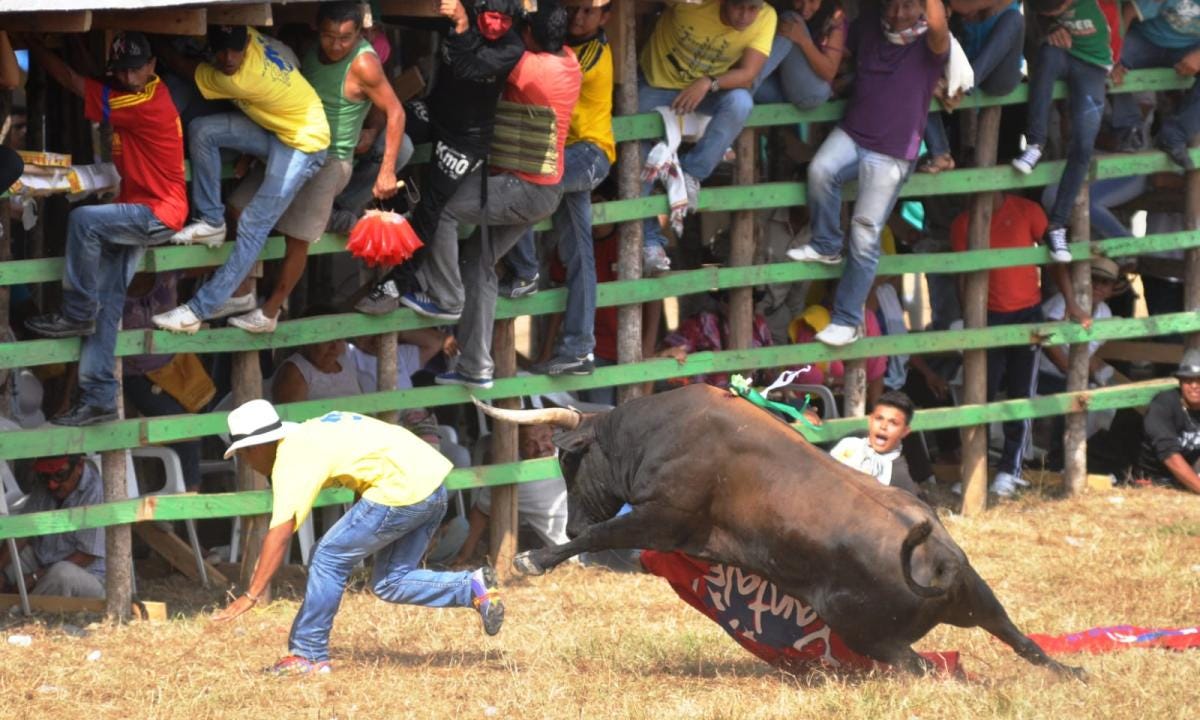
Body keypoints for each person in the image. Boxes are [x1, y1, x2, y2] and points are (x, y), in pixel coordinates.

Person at [212, 400, 505, 675]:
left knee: (326, 557)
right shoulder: (314, 431)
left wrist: (251, 595)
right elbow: (367, 464)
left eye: (243, 454)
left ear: (256, 447)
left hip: (400, 489)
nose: (246, 463)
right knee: (390, 581)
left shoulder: (292, 457)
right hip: (431, 483)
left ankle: (308, 656)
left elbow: (280, 533)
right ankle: (473, 586)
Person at [21, 32, 189, 426]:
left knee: (82, 221)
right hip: (135, 209)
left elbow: (75, 84)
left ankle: (76, 310)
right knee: (109, 302)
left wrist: (35, 45)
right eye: (123, 71)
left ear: (151, 67)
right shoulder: (138, 91)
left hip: (157, 213)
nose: (130, 78)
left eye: (137, 69)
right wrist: (81, 53)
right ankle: (97, 396)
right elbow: (95, 77)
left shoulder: (143, 103)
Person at [425, 0, 583, 389]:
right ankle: (476, 365)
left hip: (524, 188)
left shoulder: (527, 68)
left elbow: (480, 61)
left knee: (443, 208)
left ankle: (445, 295)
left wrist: (463, 25)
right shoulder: (569, 61)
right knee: (480, 260)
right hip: (545, 188)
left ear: (528, 34)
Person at [222, 2, 405, 333]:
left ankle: (269, 313)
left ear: (359, 34)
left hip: (331, 161)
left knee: (298, 239)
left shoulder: (364, 63)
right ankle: (243, 290)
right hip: (294, 147)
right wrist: (254, 152)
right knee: (237, 207)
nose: (336, 45)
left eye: (345, 38)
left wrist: (387, 170)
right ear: (316, 30)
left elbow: (395, 111)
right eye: (329, 36)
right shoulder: (308, 52)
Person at [787, 0, 950, 346]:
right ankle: (826, 243)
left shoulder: (931, 43)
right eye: (893, 6)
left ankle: (847, 320)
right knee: (820, 171)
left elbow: (938, 26)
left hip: (892, 152)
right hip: (853, 131)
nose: (898, 14)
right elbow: (845, 53)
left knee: (864, 232)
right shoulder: (870, 28)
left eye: (908, 6)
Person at [151, 25, 330, 334]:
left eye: (235, 50)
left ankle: (197, 311)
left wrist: (155, 39)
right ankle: (211, 220)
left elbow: (182, 67)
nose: (228, 57)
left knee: (252, 224)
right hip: (281, 129)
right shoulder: (247, 32)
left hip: (304, 144)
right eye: (221, 50)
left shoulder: (239, 77)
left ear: (247, 43)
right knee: (203, 131)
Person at [354, 0, 526, 314]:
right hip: (435, 113)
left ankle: (396, 284)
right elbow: (414, 15)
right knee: (385, 131)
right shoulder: (463, 14)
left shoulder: (511, 46)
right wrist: (374, 17)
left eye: (505, 20)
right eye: (492, 17)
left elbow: (468, 68)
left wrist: (460, 28)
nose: (497, 26)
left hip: (466, 139)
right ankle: (357, 201)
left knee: (430, 210)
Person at [506, 1, 617, 378]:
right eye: (574, 9)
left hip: (588, 154)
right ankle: (579, 349)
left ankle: (524, 271)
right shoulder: (567, 47)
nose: (579, 17)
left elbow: (541, 79)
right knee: (578, 251)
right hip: (563, 154)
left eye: (589, 11)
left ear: (605, 17)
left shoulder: (587, 56)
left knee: (521, 185)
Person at [950, 192, 1083, 496]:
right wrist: (969, 316)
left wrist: (1071, 301)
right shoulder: (962, 224)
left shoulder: (1027, 211)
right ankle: (974, 469)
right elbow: (962, 276)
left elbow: (1054, 258)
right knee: (980, 394)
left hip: (1026, 314)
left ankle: (1010, 470)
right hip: (986, 316)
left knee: (1021, 393)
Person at [637, 0, 778, 274]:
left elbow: (748, 74)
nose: (746, 16)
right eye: (740, 7)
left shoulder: (766, 16)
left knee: (741, 103)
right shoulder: (694, 4)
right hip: (657, 84)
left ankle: (691, 173)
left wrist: (707, 83)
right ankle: (650, 240)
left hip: (707, 90)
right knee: (637, 153)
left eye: (753, 8)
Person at [1010, 0, 1116, 261]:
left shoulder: (1103, 5)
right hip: (1063, 53)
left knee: (1083, 145)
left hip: (1094, 67)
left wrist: (1120, 61)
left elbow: (1120, 25)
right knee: (1047, 54)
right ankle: (1035, 144)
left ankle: (1057, 226)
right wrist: (1052, 27)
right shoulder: (1043, 12)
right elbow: (1043, 17)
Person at [919, 0, 1025, 173]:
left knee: (1015, 19)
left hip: (998, 76)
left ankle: (965, 84)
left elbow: (963, 6)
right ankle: (940, 153)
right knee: (914, 77)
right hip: (957, 71)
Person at [1036, 257, 1119, 471]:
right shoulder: (1063, 303)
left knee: (1104, 402)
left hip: (1068, 374)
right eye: (1095, 279)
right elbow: (1047, 340)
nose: (1099, 286)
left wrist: (1095, 375)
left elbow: (1089, 354)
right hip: (1041, 373)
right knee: (1073, 398)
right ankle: (1057, 461)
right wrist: (1070, 370)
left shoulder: (1105, 313)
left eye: (1106, 282)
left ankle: (1072, 457)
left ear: (1112, 289)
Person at [449, 423, 569, 566]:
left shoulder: (571, 452)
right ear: (516, 445)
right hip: (576, 554)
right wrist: (463, 556)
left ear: (552, 429)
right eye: (529, 444)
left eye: (544, 438)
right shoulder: (512, 474)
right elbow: (480, 512)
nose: (540, 448)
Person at [1109, 0, 1200, 169]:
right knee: (1106, 61)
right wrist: (1115, 50)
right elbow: (1129, 11)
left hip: (1189, 47)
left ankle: (1173, 136)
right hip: (1146, 39)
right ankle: (1128, 128)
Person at [0, 456, 106, 598]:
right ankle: (16, 599)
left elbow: (86, 556)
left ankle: (20, 609)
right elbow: (22, 532)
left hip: (86, 576)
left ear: (79, 467)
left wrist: (35, 577)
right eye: (45, 476)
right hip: (43, 563)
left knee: (61, 574)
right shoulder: (46, 484)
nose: (52, 484)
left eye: (60, 475)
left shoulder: (95, 490)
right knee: (8, 544)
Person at [753, 0, 846, 108]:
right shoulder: (780, 7)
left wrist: (803, 40)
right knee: (737, 89)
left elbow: (829, 73)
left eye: (812, 1)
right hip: (781, 90)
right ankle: (746, 80)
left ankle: (749, 79)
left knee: (791, 19)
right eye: (799, 0)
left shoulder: (834, 17)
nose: (805, 8)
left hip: (812, 93)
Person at [828, 391, 922, 495]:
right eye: (879, 418)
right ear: (870, 420)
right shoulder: (849, 442)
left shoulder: (898, 476)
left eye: (893, 423)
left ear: (905, 431)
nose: (883, 426)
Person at [1134, 349, 1200, 493]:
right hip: (1154, 481)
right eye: (1188, 380)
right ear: (1180, 382)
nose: (1194, 386)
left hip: (1189, 477)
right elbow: (1170, 456)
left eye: (1199, 379)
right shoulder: (1163, 405)